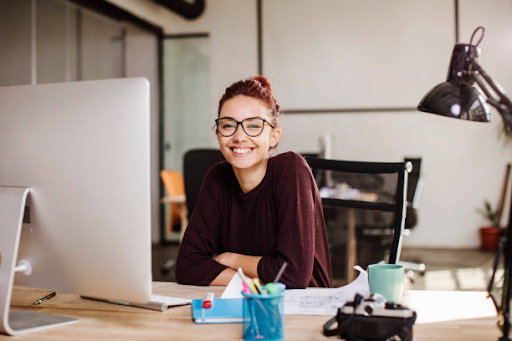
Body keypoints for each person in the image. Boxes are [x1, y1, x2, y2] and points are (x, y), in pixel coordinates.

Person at [175, 76, 332, 288]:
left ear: (274, 136)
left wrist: (230, 259)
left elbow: (293, 276)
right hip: (247, 302)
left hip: (304, 309)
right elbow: (187, 266)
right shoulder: (217, 178)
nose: (240, 136)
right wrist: (249, 286)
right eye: (229, 125)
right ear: (217, 133)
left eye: (254, 126)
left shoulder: (291, 169)